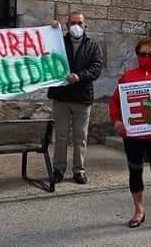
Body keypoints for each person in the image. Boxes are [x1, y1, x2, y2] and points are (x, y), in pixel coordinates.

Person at [109, 37, 151, 232]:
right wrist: (117, 121)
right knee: (135, 172)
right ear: (137, 55)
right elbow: (115, 102)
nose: (147, 58)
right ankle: (139, 210)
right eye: (143, 54)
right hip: (132, 135)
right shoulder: (127, 76)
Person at [47, 12, 104, 185]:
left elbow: (96, 68)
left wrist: (79, 76)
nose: (76, 26)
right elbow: (46, 55)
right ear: (66, 25)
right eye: (73, 23)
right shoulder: (58, 43)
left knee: (81, 137)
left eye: (79, 22)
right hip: (61, 97)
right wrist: (50, 31)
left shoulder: (93, 46)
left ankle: (79, 170)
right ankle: (58, 169)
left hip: (82, 98)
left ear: (85, 25)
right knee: (61, 136)